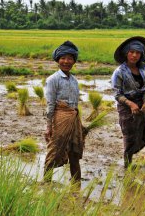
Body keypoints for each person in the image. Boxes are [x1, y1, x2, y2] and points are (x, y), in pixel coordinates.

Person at [111, 36, 145, 169]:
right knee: (130, 139)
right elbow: (117, 94)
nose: (134, 55)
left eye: (138, 52)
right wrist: (131, 104)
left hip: (141, 106)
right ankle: (127, 167)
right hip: (126, 107)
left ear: (141, 54)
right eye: (131, 52)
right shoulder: (119, 72)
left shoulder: (144, 68)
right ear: (126, 53)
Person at [44, 40, 84, 186]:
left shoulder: (74, 80)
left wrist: (80, 125)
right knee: (55, 150)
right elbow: (50, 104)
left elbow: (75, 104)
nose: (66, 61)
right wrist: (49, 126)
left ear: (74, 61)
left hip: (74, 118)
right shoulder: (53, 80)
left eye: (70, 58)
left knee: (75, 151)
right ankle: (46, 181)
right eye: (63, 58)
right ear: (58, 60)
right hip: (60, 117)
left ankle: (76, 183)